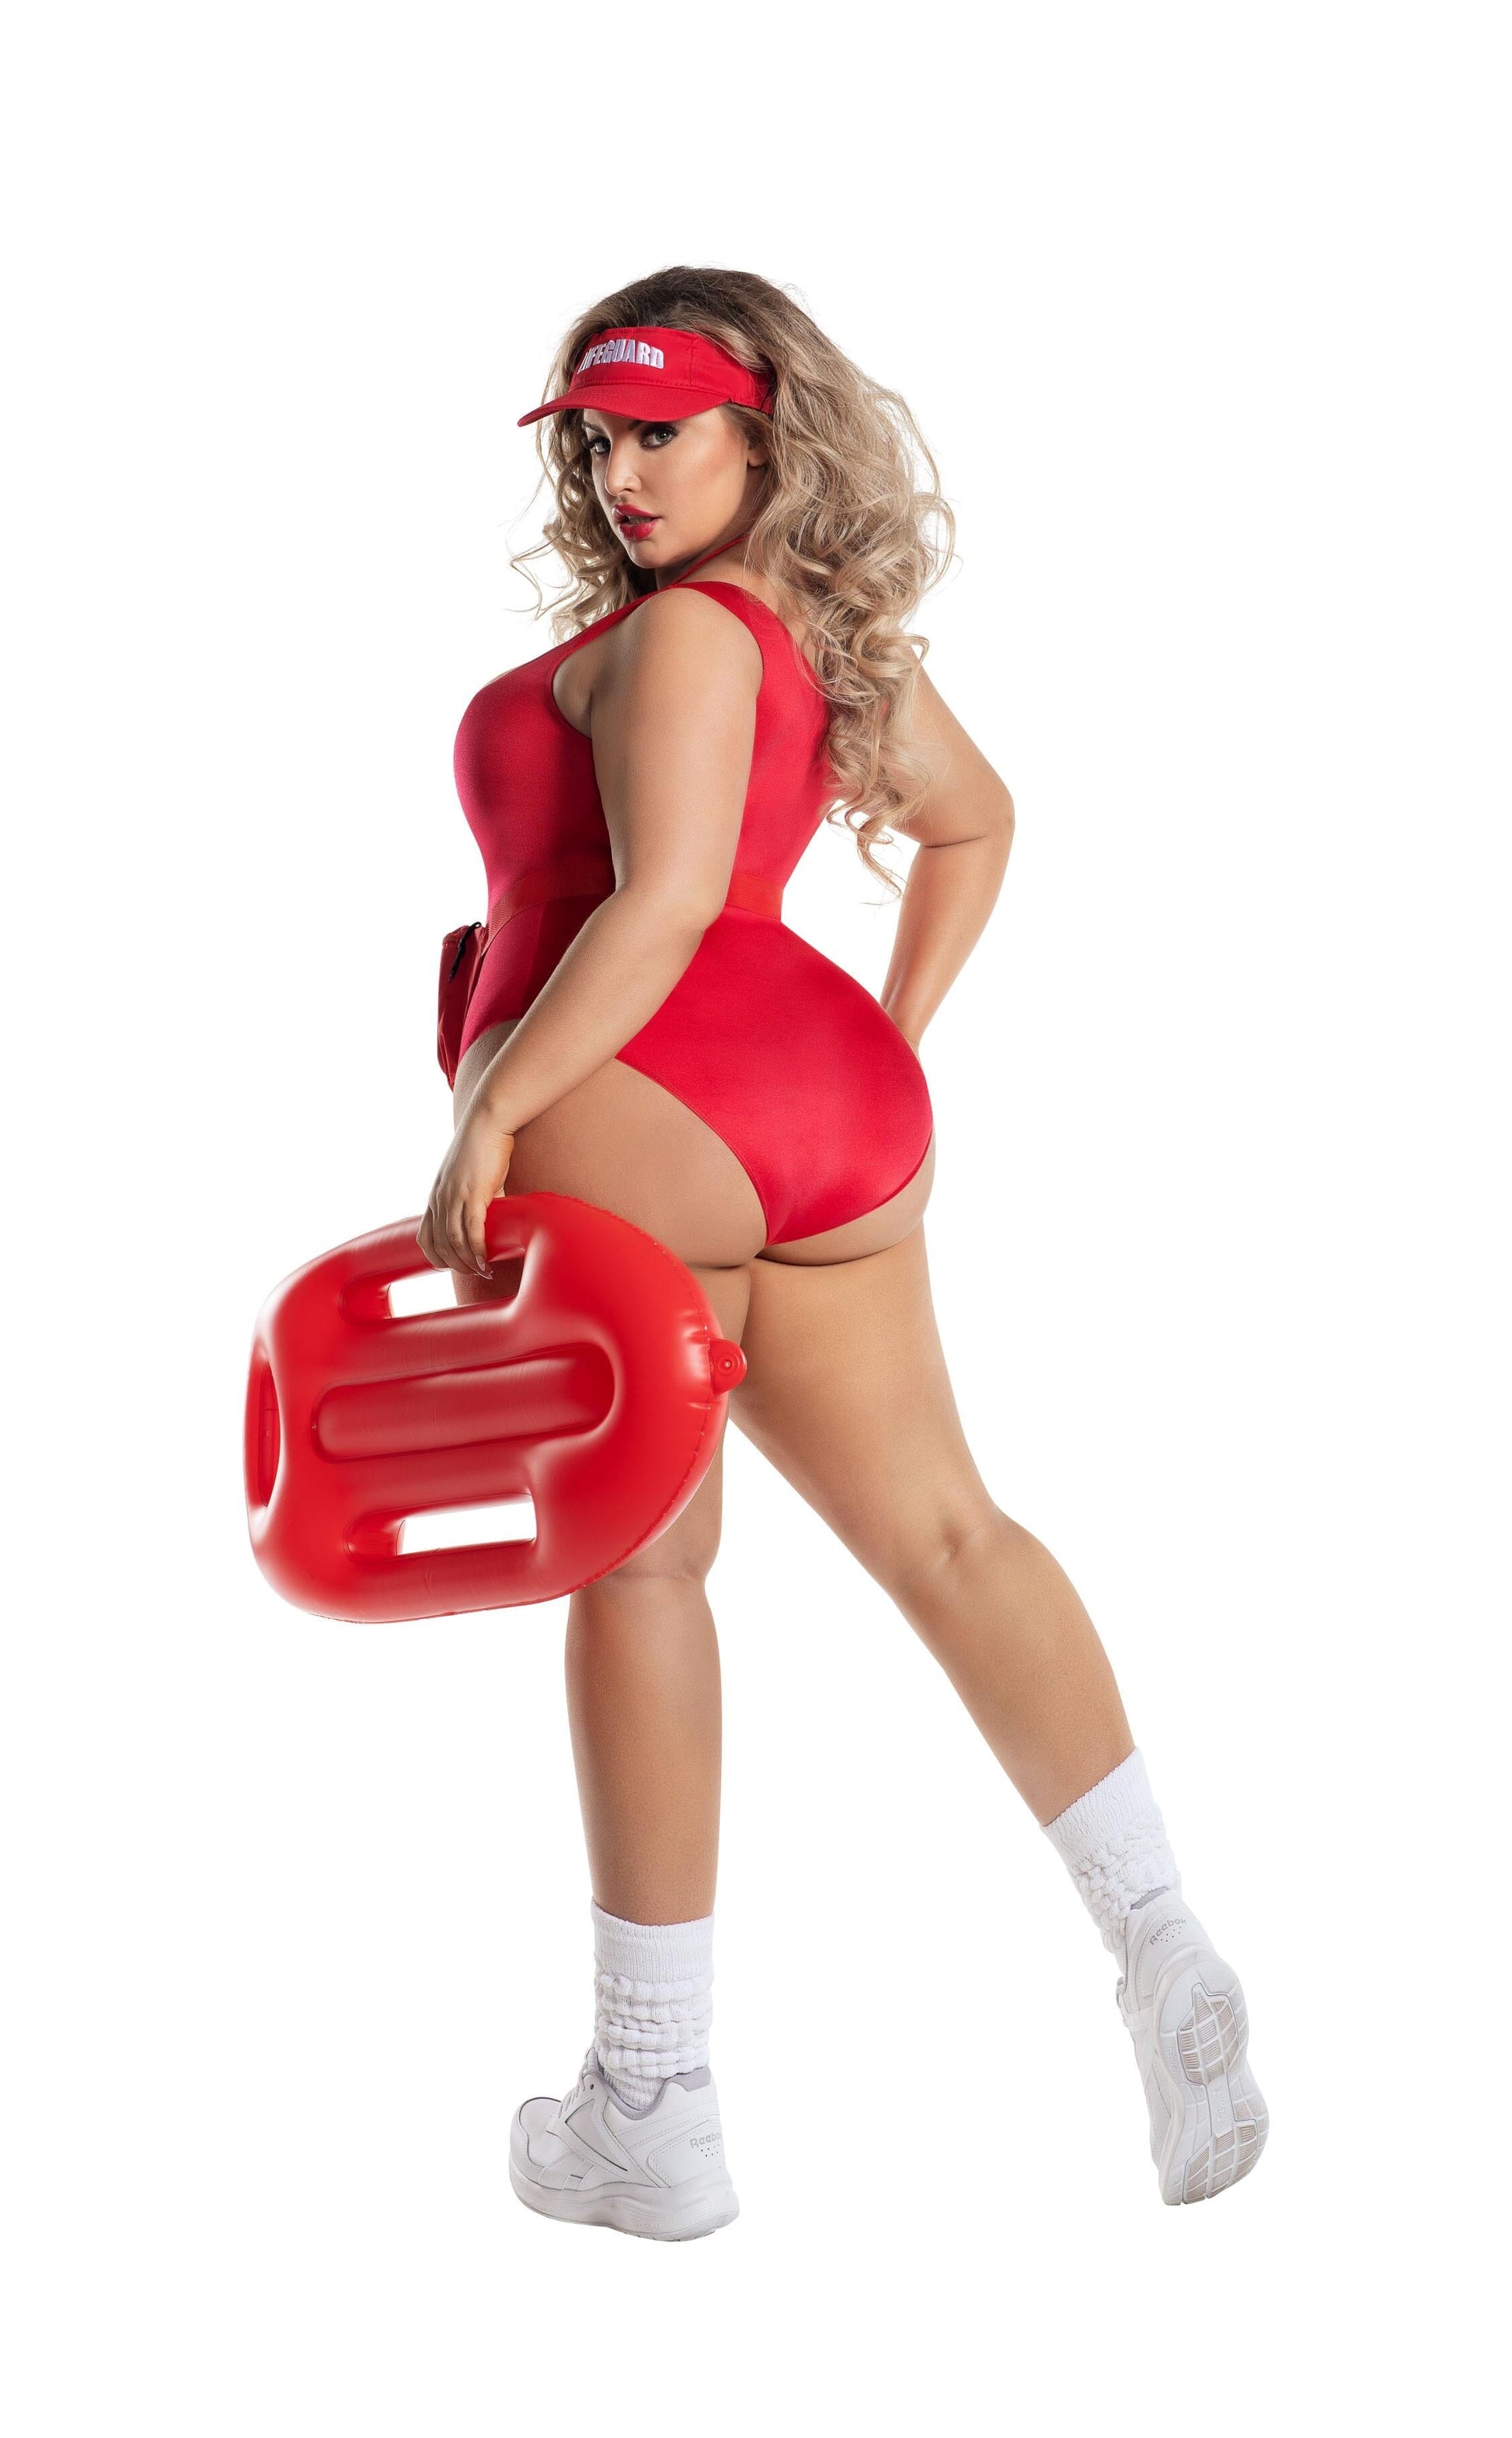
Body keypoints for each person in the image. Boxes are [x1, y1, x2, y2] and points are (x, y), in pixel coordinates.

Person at [418, 267, 1267, 2238]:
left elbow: (659, 905)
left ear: (762, 433)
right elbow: (975, 822)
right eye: (601, 439)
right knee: (949, 1531)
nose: (625, 474)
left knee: (643, 1565)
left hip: (645, 1088)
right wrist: (885, 1039)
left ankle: (652, 2098)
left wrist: (491, 1107)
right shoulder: (813, 636)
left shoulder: (685, 636)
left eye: (664, 432)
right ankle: (1160, 1942)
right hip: (828, 1108)